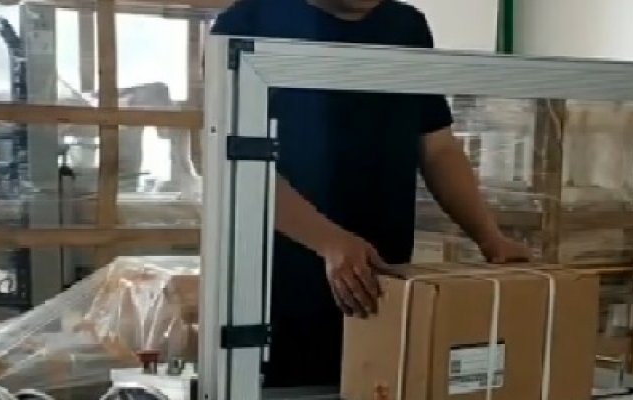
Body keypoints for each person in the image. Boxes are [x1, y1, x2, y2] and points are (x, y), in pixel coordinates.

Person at [211, 0, 531, 388]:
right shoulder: (249, 22)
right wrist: (328, 241)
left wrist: (489, 237)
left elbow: (437, 148)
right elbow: (229, 160)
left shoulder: (406, 28)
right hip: (276, 296)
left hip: (382, 286)